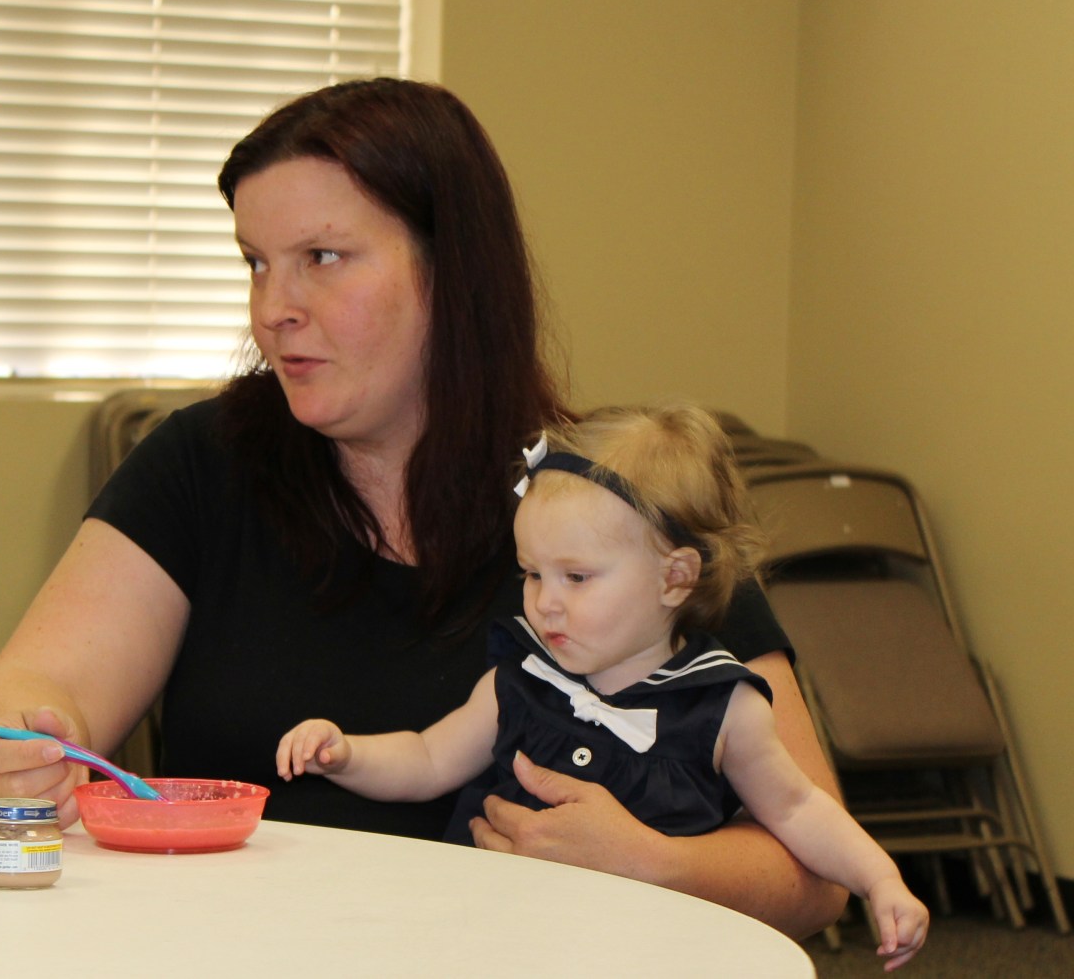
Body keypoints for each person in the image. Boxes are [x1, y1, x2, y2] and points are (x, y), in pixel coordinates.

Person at [0, 77, 845, 937]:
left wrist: (658, 864)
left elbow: (818, 876)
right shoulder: (202, 463)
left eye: (322, 258)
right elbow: (36, 689)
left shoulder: (614, 501)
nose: (273, 309)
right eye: (256, 262)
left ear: (451, 270)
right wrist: (23, 744)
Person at [278, 404, 928, 971]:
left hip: (646, 958)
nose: (545, 602)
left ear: (674, 577)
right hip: (492, 945)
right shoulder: (522, 679)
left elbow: (798, 809)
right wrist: (347, 753)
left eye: (577, 577)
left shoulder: (723, 707)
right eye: (532, 574)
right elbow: (427, 759)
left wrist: (880, 879)